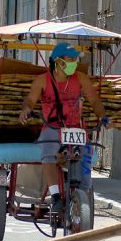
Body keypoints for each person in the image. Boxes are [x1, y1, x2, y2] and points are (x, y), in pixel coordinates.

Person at [19, 42, 108, 213]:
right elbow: (30, 100)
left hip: (76, 128)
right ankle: (55, 196)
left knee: (84, 155)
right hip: (52, 127)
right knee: (48, 153)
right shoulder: (43, 80)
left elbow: (95, 101)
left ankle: (82, 193)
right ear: (58, 61)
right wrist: (26, 110)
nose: (75, 61)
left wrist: (103, 116)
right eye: (71, 58)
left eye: (75, 58)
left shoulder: (80, 78)